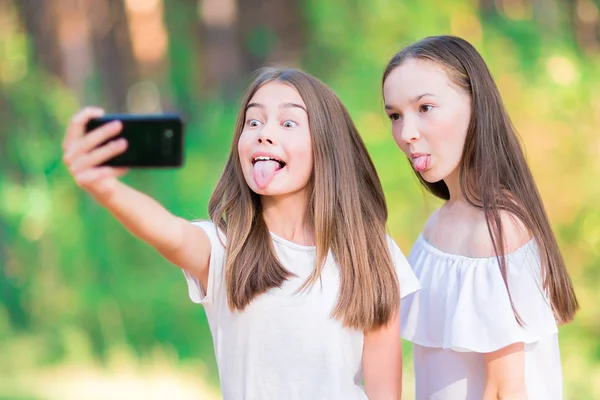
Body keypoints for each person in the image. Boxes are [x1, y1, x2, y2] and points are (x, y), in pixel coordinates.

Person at [62, 67, 420, 400]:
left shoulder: (371, 252)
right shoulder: (225, 250)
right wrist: (106, 189)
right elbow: (171, 235)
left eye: (288, 122)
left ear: (327, 145)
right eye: (253, 121)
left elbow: (384, 393)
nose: (264, 133)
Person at [381, 35, 578, 400]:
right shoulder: (435, 226)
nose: (406, 133)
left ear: (476, 103)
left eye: (425, 108)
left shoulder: (496, 229)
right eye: (395, 115)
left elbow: (506, 390)